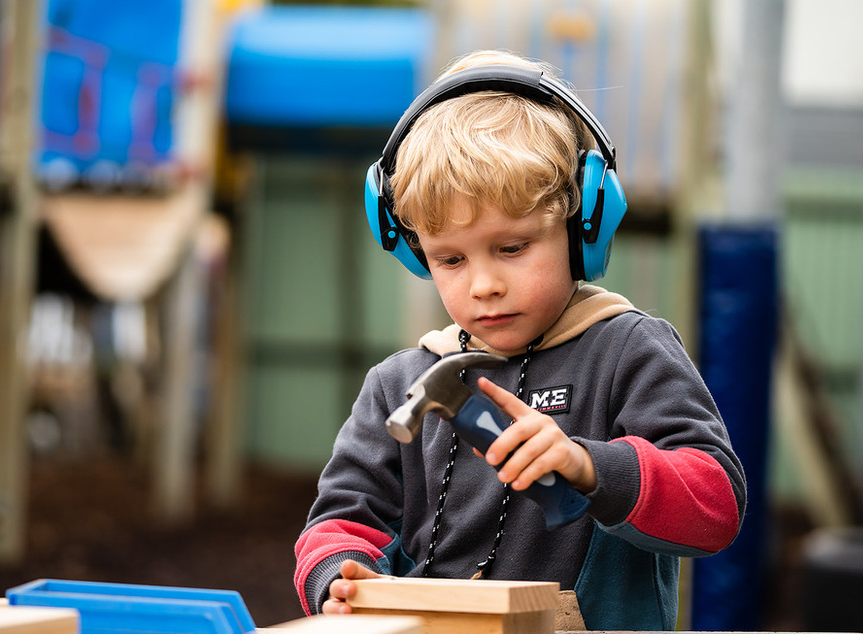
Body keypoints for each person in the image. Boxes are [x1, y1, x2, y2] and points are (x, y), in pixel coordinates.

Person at [293, 49, 746, 631]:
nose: (484, 285)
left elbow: (715, 509)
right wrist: (339, 574)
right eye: (450, 259)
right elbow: (340, 521)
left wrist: (590, 468)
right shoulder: (395, 385)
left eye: (512, 248)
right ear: (414, 254)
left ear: (585, 224)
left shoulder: (628, 353)